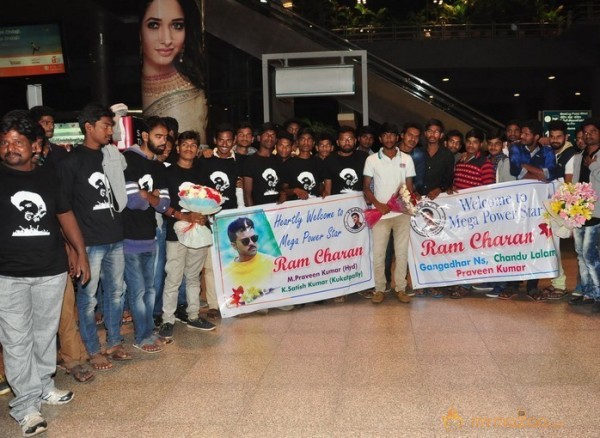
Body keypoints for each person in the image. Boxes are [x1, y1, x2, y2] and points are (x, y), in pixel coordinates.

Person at [0, 113, 90, 437]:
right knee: (16, 341)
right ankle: (25, 406)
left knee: (43, 334)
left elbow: (65, 215)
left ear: (33, 145)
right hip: (7, 276)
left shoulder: (49, 175)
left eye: (17, 142)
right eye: (5, 141)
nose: (10, 148)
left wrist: (81, 253)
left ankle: (42, 386)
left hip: (51, 272)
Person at [57, 103, 131, 371]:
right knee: (88, 300)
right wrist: (73, 249)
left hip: (114, 236)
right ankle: (92, 349)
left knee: (115, 294)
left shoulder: (108, 156)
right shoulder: (70, 161)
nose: (110, 130)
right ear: (89, 127)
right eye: (106, 126)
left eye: (111, 126)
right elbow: (62, 208)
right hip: (88, 242)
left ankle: (114, 342)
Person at [158, 130, 216, 340]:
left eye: (193, 145)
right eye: (185, 144)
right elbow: (163, 204)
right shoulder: (168, 172)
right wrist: (184, 216)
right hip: (176, 232)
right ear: (178, 147)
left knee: (193, 277)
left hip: (199, 231)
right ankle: (167, 320)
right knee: (173, 277)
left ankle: (193, 315)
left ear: (197, 148)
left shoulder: (202, 172)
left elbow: (212, 201)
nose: (189, 148)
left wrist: (203, 216)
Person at [122, 117, 171, 353]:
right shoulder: (128, 159)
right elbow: (132, 201)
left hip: (150, 234)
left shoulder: (159, 166)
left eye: (165, 137)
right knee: (138, 290)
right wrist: (150, 198)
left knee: (150, 289)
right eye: (158, 136)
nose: (163, 141)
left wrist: (147, 196)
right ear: (144, 136)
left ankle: (149, 332)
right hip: (129, 235)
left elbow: (164, 204)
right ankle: (141, 337)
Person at [140, 0, 208, 144]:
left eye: (177, 25)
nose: (166, 39)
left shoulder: (194, 88)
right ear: (140, 31)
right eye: (154, 25)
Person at [363, 122, 415, 305]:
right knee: (378, 254)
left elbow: (409, 187)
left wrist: (409, 203)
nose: (389, 139)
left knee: (402, 253)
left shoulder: (407, 159)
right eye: (385, 135)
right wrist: (378, 205)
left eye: (392, 135)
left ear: (397, 137)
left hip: (402, 214)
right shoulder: (372, 160)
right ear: (380, 139)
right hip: (380, 214)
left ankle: (400, 288)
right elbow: (366, 188)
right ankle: (379, 289)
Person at [197, 123, 244, 318]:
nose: (225, 144)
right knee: (210, 265)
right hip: (210, 219)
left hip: (232, 219)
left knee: (234, 262)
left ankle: (237, 300)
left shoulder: (239, 161)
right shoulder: (204, 161)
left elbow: (240, 188)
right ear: (215, 141)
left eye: (228, 140)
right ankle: (214, 305)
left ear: (234, 142)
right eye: (221, 140)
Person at [508, 119, 556, 299]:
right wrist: (538, 173)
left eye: (526, 133)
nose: (522, 136)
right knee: (515, 241)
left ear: (536, 137)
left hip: (538, 204)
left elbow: (550, 173)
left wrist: (526, 167)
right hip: (518, 204)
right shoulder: (515, 148)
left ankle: (532, 286)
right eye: (522, 132)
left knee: (536, 241)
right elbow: (515, 170)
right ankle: (512, 284)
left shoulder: (547, 150)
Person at [569, 118, 600, 312]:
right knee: (580, 255)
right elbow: (574, 183)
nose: (588, 135)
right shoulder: (579, 156)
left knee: (590, 255)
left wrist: (594, 166)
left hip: (596, 212)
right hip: (579, 212)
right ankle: (587, 292)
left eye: (593, 131)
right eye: (585, 132)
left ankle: (598, 293)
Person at [223, 217, 276, 292]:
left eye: (254, 238)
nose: (251, 243)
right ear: (234, 245)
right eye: (245, 241)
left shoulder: (273, 263)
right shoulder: (226, 274)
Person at [242, 122, 282, 206]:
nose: (270, 138)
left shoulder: (278, 160)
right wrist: (254, 215)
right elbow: (247, 194)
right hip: (259, 212)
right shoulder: (250, 161)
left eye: (273, 135)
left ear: (276, 139)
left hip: (278, 212)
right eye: (266, 134)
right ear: (259, 138)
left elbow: (282, 187)